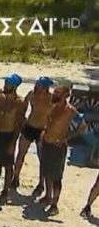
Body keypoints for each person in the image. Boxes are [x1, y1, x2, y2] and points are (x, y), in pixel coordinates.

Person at [36, 85, 88, 216]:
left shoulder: (70, 111)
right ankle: (48, 196)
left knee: (56, 176)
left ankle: (55, 204)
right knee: (46, 171)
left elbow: (83, 127)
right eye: (55, 92)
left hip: (58, 147)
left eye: (58, 92)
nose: (55, 94)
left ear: (65, 95)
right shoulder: (52, 107)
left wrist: (66, 137)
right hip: (46, 143)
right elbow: (48, 124)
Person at [0, 74, 26, 204]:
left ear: (14, 86)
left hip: (9, 135)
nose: (5, 86)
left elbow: (19, 125)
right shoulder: (1, 99)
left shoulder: (19, 103)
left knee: (8, 166)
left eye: (8, 84)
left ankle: (5, 191)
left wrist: (13, 143)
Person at [13, 77, 54, 192]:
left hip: (42, 129)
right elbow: (24, 105)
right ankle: (15, 177)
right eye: (37, 85)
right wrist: (22, 118)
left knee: (42, 158)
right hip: (30, 126)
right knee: (21, 154)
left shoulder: (51, 98)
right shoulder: (32, 94)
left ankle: (41, 183)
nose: (36, 87)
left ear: (45, 88)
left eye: (39, 86)